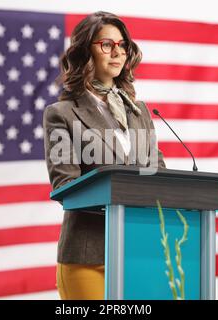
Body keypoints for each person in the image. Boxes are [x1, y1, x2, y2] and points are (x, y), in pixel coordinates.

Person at [43, 11, 166, 300]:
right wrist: (124, 197)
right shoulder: (61, 114)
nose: (118, 52)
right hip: (88, 255)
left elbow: (157, 173)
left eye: (122, 45)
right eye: (107, 45)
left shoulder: (140, 112)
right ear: (87, 50)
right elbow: (65, 186)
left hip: (138, 252)